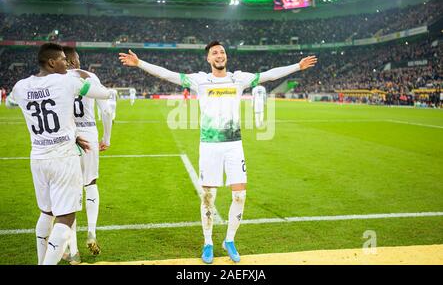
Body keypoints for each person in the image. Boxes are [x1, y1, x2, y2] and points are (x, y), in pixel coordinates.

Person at [119, 41, 317, 264]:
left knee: (240, 195)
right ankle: (208, 242)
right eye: (214, 53)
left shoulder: (238, 79)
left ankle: (229, 240)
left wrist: (297, 66)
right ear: (208, 59)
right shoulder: (200, 80)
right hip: (209, 146)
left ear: (226, 57)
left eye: (222, 52)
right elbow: (168, 74)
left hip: (234, 145)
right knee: (208, 197)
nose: (219, 55)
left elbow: (269, 75)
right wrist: (139, 63)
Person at [6, 43, 111, 265]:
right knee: (66, 215)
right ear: (52, 62)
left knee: (46, 212)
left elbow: (10, 103)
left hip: (38, 158)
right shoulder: (68, 80)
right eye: (64, 59)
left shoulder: (20, 86)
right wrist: (85, 74)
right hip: (64, 158)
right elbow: (103, 93)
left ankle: (42, 259)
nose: (68, 63)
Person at [62, 46, 114, 263]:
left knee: (69, 191)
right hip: (90, 133)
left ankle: (72, 250)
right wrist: (107, 138)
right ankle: (91, 231)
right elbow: (107, 110)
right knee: (90, 183)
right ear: (76, 60)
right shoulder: (90, 76)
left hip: (67, 137)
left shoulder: (58, 79)